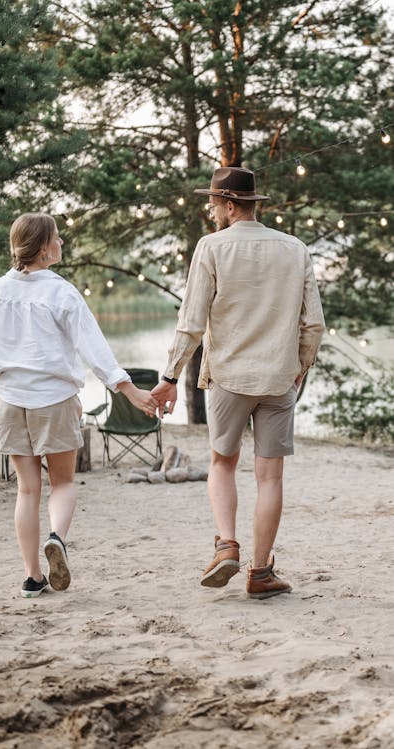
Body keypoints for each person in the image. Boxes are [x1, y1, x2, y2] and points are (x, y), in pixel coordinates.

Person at [152, 167, 325, 599]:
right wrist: (299, 364)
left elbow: (190, 322)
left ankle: (226, 543)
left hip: (229, 377)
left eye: (213, 203)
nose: (211, 210)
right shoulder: (294, 248)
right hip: (279, 378)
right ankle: (261, 572)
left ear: (230, 205)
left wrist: (171, 376)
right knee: (270, 477)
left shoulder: (211, 247)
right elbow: (315, 324)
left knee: (222, 463)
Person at [0, 212, 158, 598]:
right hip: (53, 400)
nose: (62, 243)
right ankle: (57, 537)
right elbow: (95, 351)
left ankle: (32, 577)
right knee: (63, 482)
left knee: (27, 490)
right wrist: (130, 391)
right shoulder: (60, 292)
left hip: (9, 401)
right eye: (57, 238)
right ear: (42, 248)